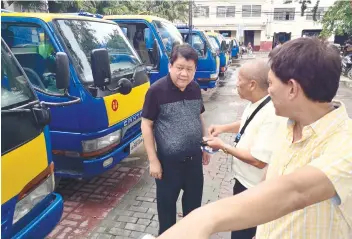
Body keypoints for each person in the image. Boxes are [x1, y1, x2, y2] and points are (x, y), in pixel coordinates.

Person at [156, 37, 352, 239]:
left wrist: (203, 219)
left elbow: (295, 192)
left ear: (292, 89)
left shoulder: (346, 144)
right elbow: (270, 180)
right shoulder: (291, 124)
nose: (267, 91)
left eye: (271, 83)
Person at [204, 59, 285, 239]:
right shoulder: (257, 102)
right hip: (242, 181)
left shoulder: (272, 114)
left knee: (242, 234)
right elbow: (248, 123)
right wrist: (223, 128)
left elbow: (258, 161)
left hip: (254, 189)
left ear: (252, 84)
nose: (236, 83)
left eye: (239, 79)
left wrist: (223, 146)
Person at [141, 43, 211, 236]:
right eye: (180, 68)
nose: (184, 74)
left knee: (193, 212)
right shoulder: (156, 91)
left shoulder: (195, 88)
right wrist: (153, 160)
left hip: (194, 163)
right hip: (167, 165)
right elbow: (146, 125)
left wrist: (204, 146)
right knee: (167, 214)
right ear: (170, 66)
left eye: (190, 69)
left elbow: (199, 116)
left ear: (195, 69)